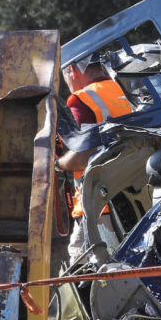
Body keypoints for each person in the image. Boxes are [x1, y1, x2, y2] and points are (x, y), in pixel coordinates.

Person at [57, 58, 134, 264]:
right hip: (128, 193)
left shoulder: (81, 99)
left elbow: (82, 157)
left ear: (72, 69)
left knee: (87, 267)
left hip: (98, 204)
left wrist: (58, 164)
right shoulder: (118, 88)